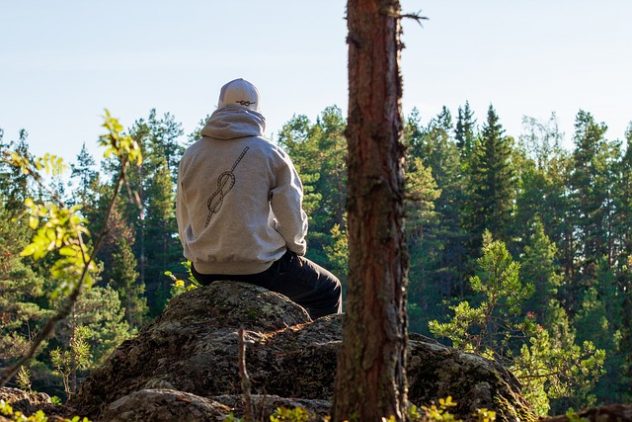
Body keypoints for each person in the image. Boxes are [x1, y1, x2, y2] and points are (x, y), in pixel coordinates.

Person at [176, 78, 342, 319]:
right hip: (262, 267)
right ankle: (317, 348)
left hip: (204, 269)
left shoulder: (192, 154)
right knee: (329, 289)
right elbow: (290, 213)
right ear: (256, 108)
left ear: (220, 105)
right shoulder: (269, 153)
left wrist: (195, 250)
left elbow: (183, 214)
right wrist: (296, 247)